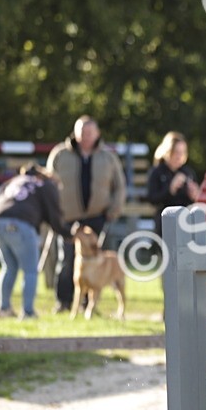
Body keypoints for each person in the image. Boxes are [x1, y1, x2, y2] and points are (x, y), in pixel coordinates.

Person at [48, 115, 126, 312]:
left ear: (97, 133)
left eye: (90, 132)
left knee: (96, 263)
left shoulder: (108, 157)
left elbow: (120, 186)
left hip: (97, 217)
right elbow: (49, 184)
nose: (86, 136)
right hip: (68, 218)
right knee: (66, 261)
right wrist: (53, 212)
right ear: (75, 132)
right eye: (82, 131)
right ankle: (63, 302)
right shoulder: (60, 154)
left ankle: (90, 305)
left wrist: (113, 210)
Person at [0, 164, 72, 319]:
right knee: (30, 270)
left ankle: (3, 309)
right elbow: (55, 216)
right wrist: (67, 234)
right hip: (21, 224)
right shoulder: (46, 185)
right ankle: (28, 312)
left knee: (9, 267)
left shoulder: (16, 180)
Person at [146, 131, 200, 238]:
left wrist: (194, 195)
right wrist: (170, 189)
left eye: (182, 153)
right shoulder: (157, 172)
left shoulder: (188, 172)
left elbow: (195, 200)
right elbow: (153, 199)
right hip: (165, 219)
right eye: (176, 152)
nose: (179, 156)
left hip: (186, 219)